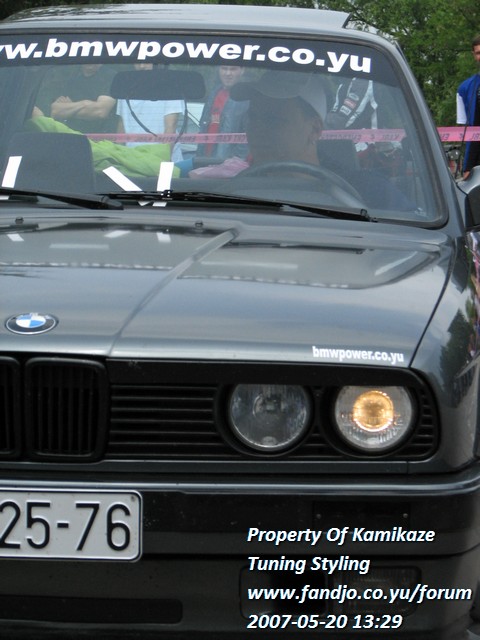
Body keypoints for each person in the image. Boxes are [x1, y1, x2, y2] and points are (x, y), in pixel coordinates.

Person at [116, 63, 184, 161]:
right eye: (138, 62)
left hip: (161, 159)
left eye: (147, 62)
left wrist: (163, 162)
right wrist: (118, 157)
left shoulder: (170, 87)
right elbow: (122, 125)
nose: (142, 66)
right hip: (132, 159)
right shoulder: (125, 88)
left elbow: (170, 127)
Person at [196, 65, 249, 160]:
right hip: (205, 160)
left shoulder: (247, 98)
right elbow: (204, 128)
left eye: (233, 69)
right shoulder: (214, 94)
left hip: (228, 164)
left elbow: (249, 137)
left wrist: (234, 162)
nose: (228, 73)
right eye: (224, 68)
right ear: (219, 70)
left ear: (242, 70)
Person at [50, 64, 118, 133]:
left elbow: (100, 112)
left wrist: (69, 111)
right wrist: (85, 104)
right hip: (72, 135)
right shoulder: (73, 79)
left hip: (100, 137)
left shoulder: (111, 76)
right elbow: (56, 111)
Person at [457, 35, 480, 178]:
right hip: (476, 162)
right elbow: (467, 131)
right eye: (478, 53)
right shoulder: (464, 88)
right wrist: (467, 167)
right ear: (474, 55)